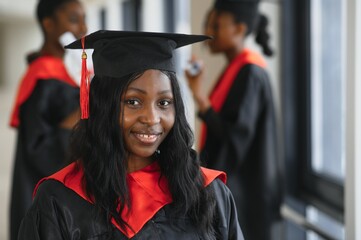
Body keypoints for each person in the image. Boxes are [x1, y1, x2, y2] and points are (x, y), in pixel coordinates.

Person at [17, 30, 244, 239]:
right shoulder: (60, 200)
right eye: (133, 101)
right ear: (103, 106)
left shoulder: (208, 193)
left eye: (164, 102)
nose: (151, 118)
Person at [185, 0, 284, 239]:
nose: (209, 30)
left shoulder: (251, 73)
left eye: (216, 24)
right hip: (240, 195)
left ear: (239, 29)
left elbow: (235, 139)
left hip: (247, 197)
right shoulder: (236, 69)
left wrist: (200, 98)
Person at [9, 0, 87, 239]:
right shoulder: (42, 76)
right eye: (74, 20)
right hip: (46, 193)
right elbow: (37, 149)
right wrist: (81, 113)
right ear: (49, 24)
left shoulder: (70, 70)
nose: (83, 28)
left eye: (84, 19)